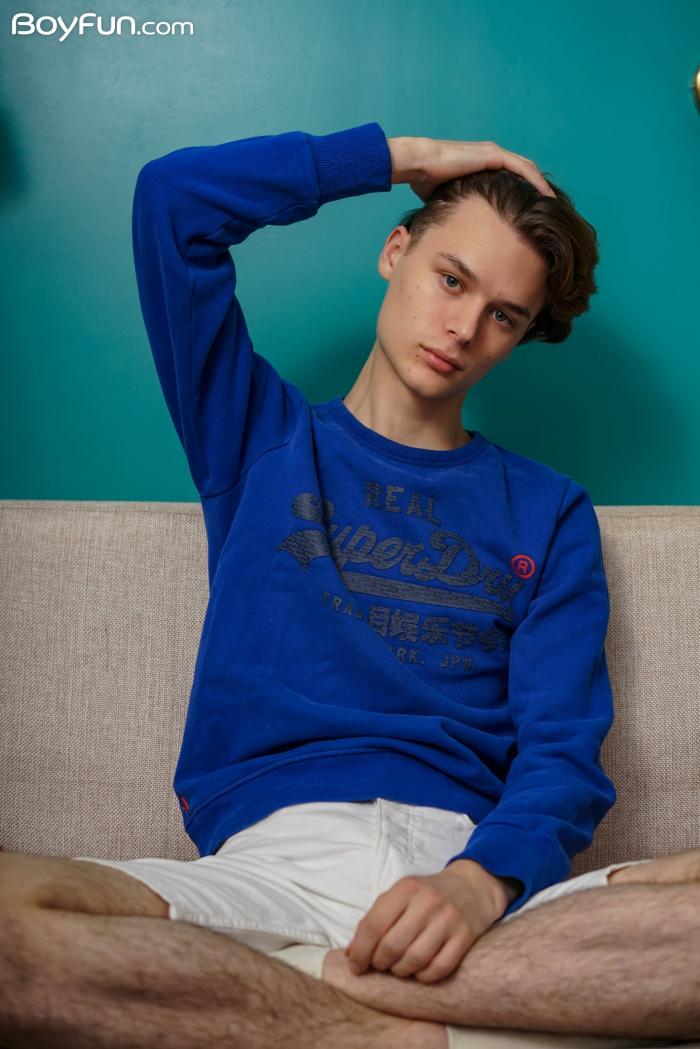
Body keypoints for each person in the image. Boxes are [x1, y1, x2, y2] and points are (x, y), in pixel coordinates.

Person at [1, 123, 698, 1049]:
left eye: (504, 315)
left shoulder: (549, 509)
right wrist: (402, 159)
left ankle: (309, 995)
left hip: (470, 883)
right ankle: (398, 1027)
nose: (463, 329)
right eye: (452, 279)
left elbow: (561, 751)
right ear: (395, 250)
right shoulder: (258, 441)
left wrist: (478, 881)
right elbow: (174, 204)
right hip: (267, 876)